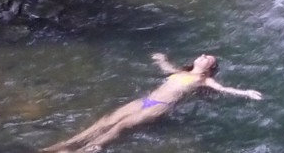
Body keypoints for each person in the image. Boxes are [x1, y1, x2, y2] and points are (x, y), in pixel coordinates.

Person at [42, 53, 262, 152]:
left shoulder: (205, 80)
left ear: (210, 68)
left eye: (209, 58)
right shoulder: (180, 71)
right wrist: (162, 59)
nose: (204, 55)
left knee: (120, 126)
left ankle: (87, 151)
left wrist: (247, 92)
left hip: (160, 107)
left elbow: (224, 89)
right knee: (105, 120)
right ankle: (65, 145)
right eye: (203, 54)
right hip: (145, 101)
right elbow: (167, 70)